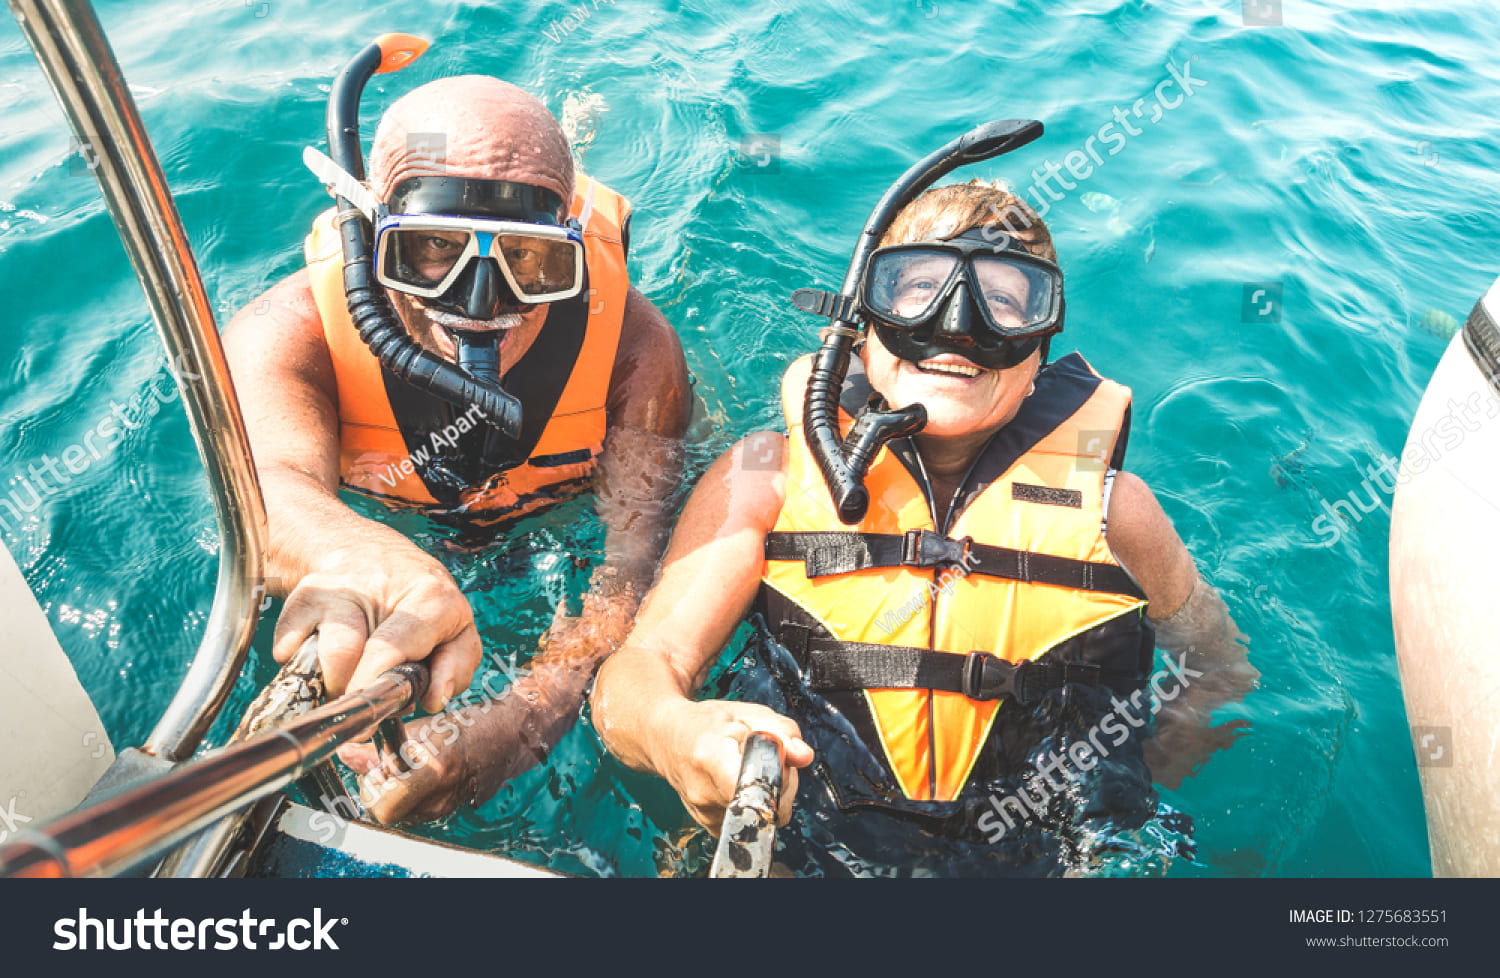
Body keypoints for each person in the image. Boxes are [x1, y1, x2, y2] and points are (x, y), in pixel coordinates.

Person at [590, 134, 1258, 875]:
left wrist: (1126, 787)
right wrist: (680, 735)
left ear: (1039, 348)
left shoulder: (1116, 512)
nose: (957, 326)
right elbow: (636, 675)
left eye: (1005, 303)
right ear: (859, 325)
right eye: (916, 290)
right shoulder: (764, 478)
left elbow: (1216, 665)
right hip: (807, 840)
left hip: (1047, 856)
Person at [223, 44, 688, 823]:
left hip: (548, 523)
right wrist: (355, 554)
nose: (478, 300)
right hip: (400, 532)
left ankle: (573, 127)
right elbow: (260, 489)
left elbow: (630, 571)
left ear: (571, 247)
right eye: (432, 248)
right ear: (369, 233)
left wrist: (516, 727)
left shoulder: (636, 352)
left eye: (529, 260)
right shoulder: (289, 334)